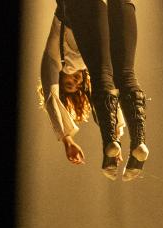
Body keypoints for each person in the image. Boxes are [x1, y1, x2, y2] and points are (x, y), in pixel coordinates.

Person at [38, 0, 150, 181]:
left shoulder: (56, 56)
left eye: (68, 84)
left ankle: (115, 142)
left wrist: (67, 139)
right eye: (76, 85)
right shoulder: (89, 64)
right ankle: (138, 142)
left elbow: (51, 96)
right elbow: (106, 98)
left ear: (61, 79)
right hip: (107, 10)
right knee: (124, 75)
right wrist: (116, 135)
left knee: (110, 76)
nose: (74, 81)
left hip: (84, 7)